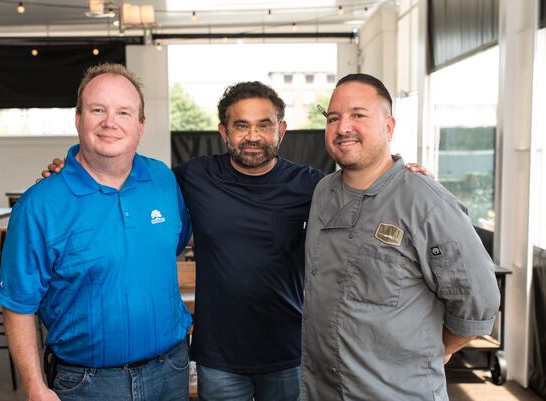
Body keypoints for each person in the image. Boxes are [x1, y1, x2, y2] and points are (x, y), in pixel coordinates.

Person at [43, 81, 429, 401]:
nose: (253, 136)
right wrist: (72, 168)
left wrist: (399, 174)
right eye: (241, 126)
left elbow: (365, 189)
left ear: (281, 130)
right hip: (218, 357)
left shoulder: (313, 185)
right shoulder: (193, 176)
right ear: (224, 132)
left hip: (289, 352)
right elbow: (124, 177)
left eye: (264, 125)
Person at [0, 64, 192, 401]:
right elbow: (17, 305)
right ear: (78, 118)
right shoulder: (39, 205)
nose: (110, 122)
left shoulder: (163, 180)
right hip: (87, 385)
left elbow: (171, 245)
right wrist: (34, 386)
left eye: (124, 112)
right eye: (97, 110)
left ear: (141, 126)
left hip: (170, 372)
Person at [300, 73, 501, 401]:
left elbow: (479, 301)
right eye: (333, 118)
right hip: (320, 390)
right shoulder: (323, 191)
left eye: (358, 115)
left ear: (389, 127)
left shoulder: (426, 201)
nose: (342, 127)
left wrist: (435, 349)